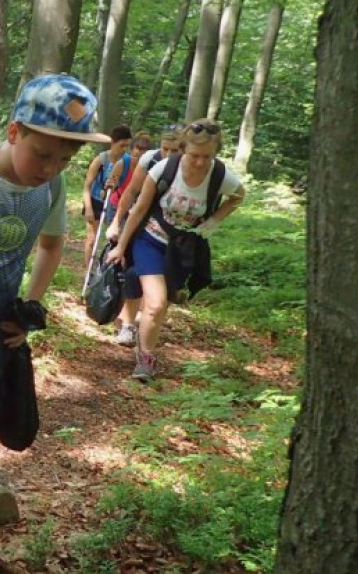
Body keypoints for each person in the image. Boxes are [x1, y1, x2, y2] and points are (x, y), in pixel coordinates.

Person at [0, 74, 111, 498]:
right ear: (14, 131)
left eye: (64, 161)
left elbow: (50, 245)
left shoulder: (49, 187)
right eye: (42, 154)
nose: (49, 169)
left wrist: (28, 307)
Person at [105, 119, 247, 380]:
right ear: (183, 149)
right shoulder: (164, 169)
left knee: (162, 305)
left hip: (183, 248)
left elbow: (239, 195)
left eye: (207, 156)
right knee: (156, 303)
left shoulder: (219, 175)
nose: (200, 162)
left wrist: (213, 221)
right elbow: (138, 210)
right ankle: (145, 359)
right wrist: (121, 246)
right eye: (194, 155)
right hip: (150, 240)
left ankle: (145, 346)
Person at [98, 133, 152, 345]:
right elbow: (111, 181)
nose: (139, 152)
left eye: (143, 149)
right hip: (118, 207)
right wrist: (109, 187)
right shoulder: (125, 162)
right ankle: (113, 300)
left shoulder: (151, 167)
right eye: (136, 148)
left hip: (139, 214)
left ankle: (129, 309)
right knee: (120, 255)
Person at [80, 124, 132, 266]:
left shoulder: (128, 161)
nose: (124, 150)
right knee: (92, 239)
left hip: (116, 203)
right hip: (96, 201)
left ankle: (111, 270)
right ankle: (89, 271)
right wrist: (88, 208)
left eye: (127, 146)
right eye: (121, 145)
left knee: (116, 238)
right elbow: (87, 186)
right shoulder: (101, 160)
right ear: (113, 142)